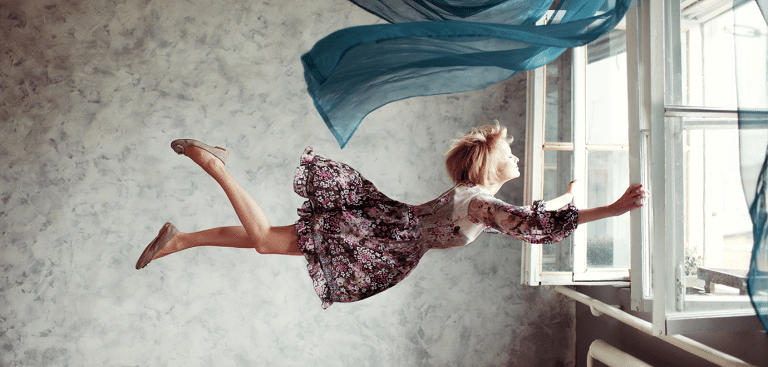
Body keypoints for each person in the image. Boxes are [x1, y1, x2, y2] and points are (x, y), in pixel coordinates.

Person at [136, 123, 646, 308]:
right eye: (511, 153)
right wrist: (614, 208)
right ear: (492, 163)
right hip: (378, 237)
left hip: (381, 232)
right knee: (269, 240)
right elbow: (530, 225)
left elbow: (532, 214)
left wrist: (568, 197)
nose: (516, 159)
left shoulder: (475, 195)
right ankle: (214, 165)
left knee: (271, 238)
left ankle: (181, 239)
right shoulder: (481, 206)